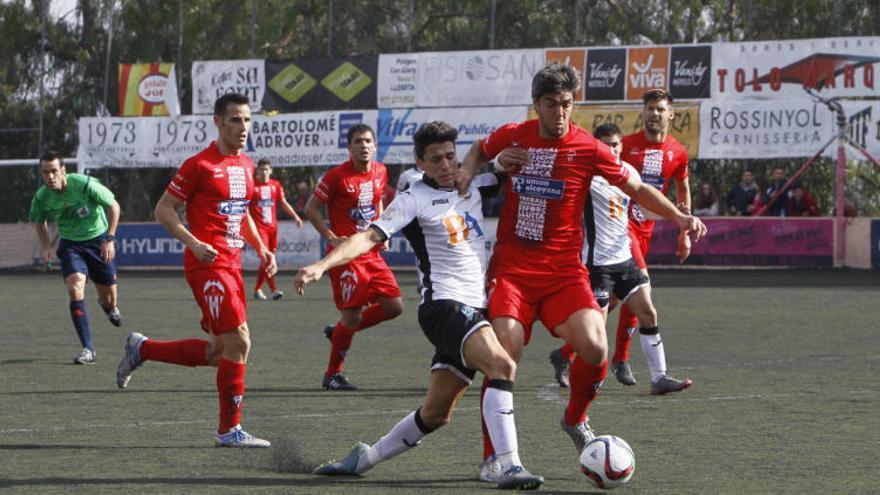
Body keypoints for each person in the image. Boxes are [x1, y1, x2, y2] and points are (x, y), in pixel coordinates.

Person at [457, 63, 706, 481]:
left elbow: (639, 189)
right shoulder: (514, 134)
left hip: (564, 273)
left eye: (567, 105)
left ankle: (574, 419)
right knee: (506, 355)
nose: (560, 113)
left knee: (595, 349)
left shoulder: (589, 148)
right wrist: (472, 169)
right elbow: (479, 151)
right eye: (551, 104)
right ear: (536, 104)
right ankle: (494, 457)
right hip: (514, 271)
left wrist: (681, 218)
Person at [296, 121, 544, 490]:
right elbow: (367, 237)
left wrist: (507, 159)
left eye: (450, 156)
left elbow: (505, 170)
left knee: (436, 413)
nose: (446, 165)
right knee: (502, 364)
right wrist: (321, 264)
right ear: (420, 163)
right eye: (436, 160)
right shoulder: (413, 199)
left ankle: (361, 460)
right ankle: (506, 464)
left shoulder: (473, 182)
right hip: (443, 306)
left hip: (474, 310)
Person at [116, 93, 277, 448]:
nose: (243, 127)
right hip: (207, 266)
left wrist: (262, 247)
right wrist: (193, 242)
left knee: (219, 352)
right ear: (218, 122)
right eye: (235, 120)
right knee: (240, 342)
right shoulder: (199, 164)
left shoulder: (248, 166)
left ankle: (143, 350)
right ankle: (228, 430)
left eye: (248, 120)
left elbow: (242, 212)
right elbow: (164, 210)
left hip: (233, 266)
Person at [547, 124, 693, 396]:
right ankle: (574, 368)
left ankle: (659, 378)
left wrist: (678, 217)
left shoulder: (628, 173)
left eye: (615, 145)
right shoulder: (586, 178)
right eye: (605, 145)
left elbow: (644, 208)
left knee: (648, 312)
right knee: (594, 333)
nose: (611, 150)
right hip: (598, 266)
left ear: (620, 147)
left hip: (624, 260)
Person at [304, 124, 404, 391]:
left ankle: (338, 333)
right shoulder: (336, 176)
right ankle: (332, 375)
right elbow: (311, 208)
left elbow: (378, 201)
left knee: (394, 307)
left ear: (375, 145)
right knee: (352, 315)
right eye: (358, 141)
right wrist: (329, 235)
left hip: (371, 252)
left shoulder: (381, 171)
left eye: (368, 140)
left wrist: (381, 230)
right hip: (346, 257)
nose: (363, 145)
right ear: (349, 147)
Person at [608, 88, 693, 389]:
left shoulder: (678, 151)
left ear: (671, 114)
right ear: (642, 113)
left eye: (660, 109)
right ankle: (648, 371)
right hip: (620, 229)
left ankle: (570, 354)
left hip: (646, 231)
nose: (654, 114)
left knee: (618, 299)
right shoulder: (626, 146)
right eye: (650, 109)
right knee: (641, 289)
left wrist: (685, 232)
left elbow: (682, 190)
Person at [30, 152, 122, 364]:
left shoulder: (83, 184)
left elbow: (114, 206)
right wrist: (46, 247)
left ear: (63, 170)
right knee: (74, 288)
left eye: (54, 171)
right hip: (71, 246)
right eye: (45, 172)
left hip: (98, 242)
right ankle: (88, 349)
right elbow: (39, 222)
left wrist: (109, 239)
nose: (50, 176)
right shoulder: (41, 197)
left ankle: (108, 307)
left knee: (110, 300)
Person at [250, 158, 303, 301]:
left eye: (267, 169)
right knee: (267, 259)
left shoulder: (275, 185)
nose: (264, 172)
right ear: (257, 171)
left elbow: (283, 203)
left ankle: (258, 289)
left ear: (271, 171)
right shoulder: (251, 186)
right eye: (261, 169)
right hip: (259, 229)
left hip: (273, 228)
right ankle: (273, 289)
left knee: (267, 260)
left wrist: (295, 216)